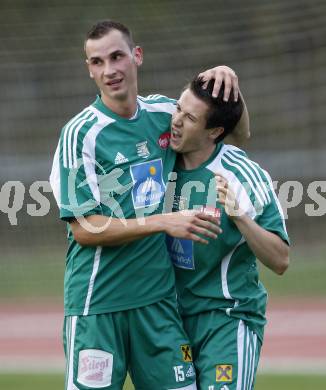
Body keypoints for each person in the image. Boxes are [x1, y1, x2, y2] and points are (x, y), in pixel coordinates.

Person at [49, 20, 245, 390]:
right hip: (97, 308)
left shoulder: (164, 114)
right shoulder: (80, 134)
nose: (110, 70)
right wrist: (163, 221)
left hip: (159, 308)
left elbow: (234, 129)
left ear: (136, 56)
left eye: (117, 56)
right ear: (89, 69)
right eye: (97, 61)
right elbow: (84, 228)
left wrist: (228, 80)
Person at [166, 77, 290, 390]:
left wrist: (240, 217)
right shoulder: (159, 159)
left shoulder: (241, 174)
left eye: (190, 118)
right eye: (178, 108)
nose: (177, 121)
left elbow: (280, 259)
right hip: (167, 321)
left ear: (215, 132)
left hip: (226, 319)